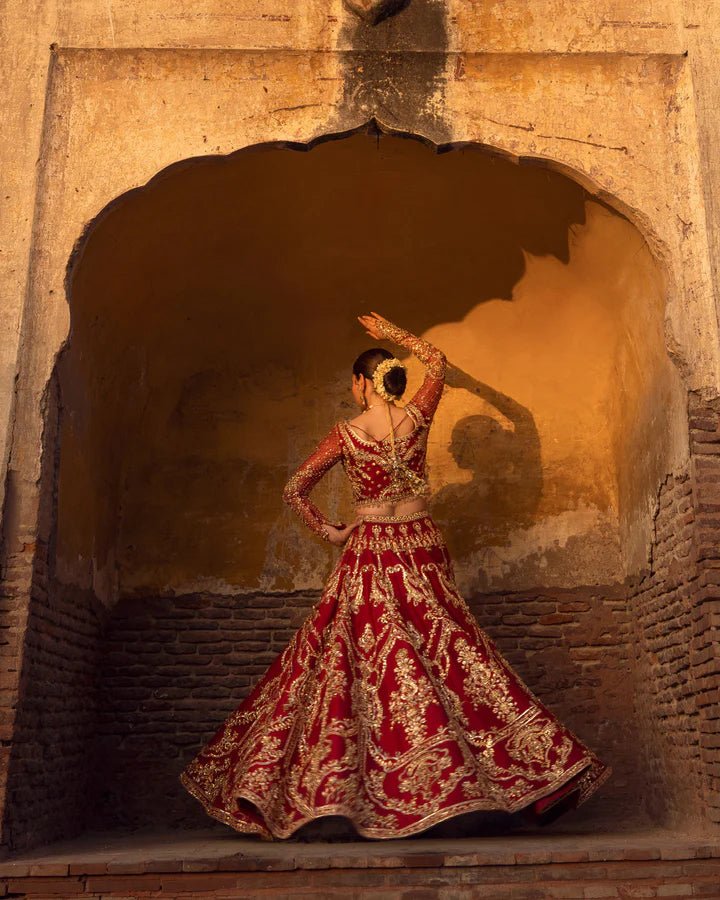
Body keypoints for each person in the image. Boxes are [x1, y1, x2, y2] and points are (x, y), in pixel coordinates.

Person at [179, 312, 611, 840]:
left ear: (362, 384)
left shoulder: (347, 435)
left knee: (361, 669)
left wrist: (332, 531)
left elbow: (295, 488)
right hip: (423, 545)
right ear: (390, 379)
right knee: (454, 654)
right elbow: (439, 363)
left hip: (370, 554)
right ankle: (531, 772)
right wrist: (391, 334)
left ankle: (364, 792)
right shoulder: (417, 417)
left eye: (352, 381)